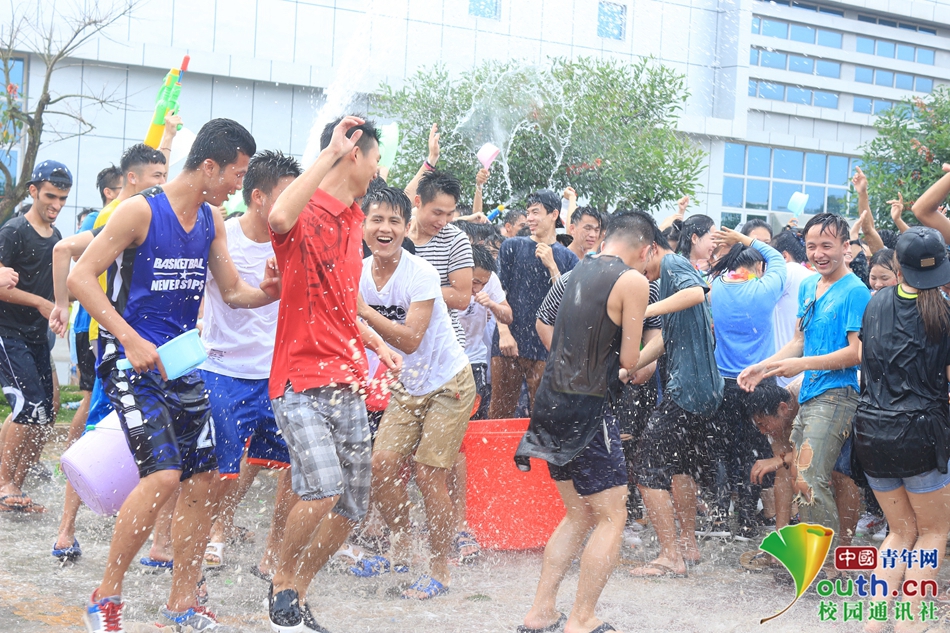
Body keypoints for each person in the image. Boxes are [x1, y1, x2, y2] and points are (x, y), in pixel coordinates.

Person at [69, 118, 279, 632]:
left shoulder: (212, 219)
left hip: (182, 363)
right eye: (236, 173)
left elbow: (231, 292)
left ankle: (183, 602)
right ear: (209, 166)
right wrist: (130, 338)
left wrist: (269, 292)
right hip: (129, 361)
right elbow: (80, 278)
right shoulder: (138, 211)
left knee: (203, 478)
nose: (238, 184)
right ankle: (105, 595)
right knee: (163, 474)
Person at [264, 115, 399, 632]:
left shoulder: (353, 220)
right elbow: (277, 218)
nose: (379, 167)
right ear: (352, 155)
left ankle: (298, 590)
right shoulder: (304, 209)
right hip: (299, 380)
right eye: (375, 156)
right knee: (320, 487)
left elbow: (342, 304)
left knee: (351, 503)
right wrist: (328, 153)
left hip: (346, 377)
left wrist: (376, 343)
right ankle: (279, 580)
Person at [48, 143, 174, 561]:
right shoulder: (116, 216)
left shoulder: (162, 217)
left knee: (171, 444)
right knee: (97, 432)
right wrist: (61, 308)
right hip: (114, 347)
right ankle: (66, 531)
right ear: (131, 181)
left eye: (166, 175)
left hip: (154, 346)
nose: (164, 183)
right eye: (156, 177)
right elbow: (66, 254)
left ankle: (159, 544)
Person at [355, 185, 477, 599]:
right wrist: (372, 352)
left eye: (393, 221)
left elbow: (409, 339)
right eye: (377, 220)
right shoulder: (359, 271)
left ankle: (440, 570)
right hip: (408, 384)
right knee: (382, 464)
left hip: (449, 382)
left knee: (429, 474)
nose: (385, 228)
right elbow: (354, 326)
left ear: (406, 227)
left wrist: (365, 312)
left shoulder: (420, 271)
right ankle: (404, 542)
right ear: (364, 225)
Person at [738, 213, 871, 552]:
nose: (818, 253)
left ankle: (824, 560)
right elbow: (798, 340)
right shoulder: (810, 285)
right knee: (800, 476)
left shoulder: (856, 291)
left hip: (837, 395)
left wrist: (801, 364)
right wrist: (763, 367)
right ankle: (819, 555)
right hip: (810, 393)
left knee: (810, 478)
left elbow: (857, 353)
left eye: (827, 245)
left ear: (846, 247)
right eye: (811, 246)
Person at [198, 150, 302, 577]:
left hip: (279, 374)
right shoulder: (223, 238)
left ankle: (273, 552)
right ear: (258, 197)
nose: (296, 202)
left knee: (297, 468)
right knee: (218, 472)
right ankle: (213, 534)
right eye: (287, 193)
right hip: (224, 370)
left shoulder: (297, 240)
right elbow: (229, 296)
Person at [854, 226, 950, 632]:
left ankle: (874, 624)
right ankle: (910, 625)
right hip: (921, 434)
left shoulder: (874, 304)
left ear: (896, 265)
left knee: (900, 531)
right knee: (933, 532)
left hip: (872, 432)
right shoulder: (944, 312)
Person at [630, 217, 723, 578]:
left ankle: (670, 556)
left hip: (687, 390)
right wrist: (629, 367)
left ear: (648, 248)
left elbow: (698, 293)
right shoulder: (670, 274)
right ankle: (687, 543)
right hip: (704, 390)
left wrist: (643, 312)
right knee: (680, 468)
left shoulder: (672, 263)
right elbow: (667, 340)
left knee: (647, 468)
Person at [707, 226, 787, 540]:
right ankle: (745, 521)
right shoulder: (765, 288)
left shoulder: (716, 287)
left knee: (724, 450)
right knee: (753, 453)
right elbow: (776, 256)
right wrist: (745, 239)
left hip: (724, 382)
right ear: (758, 267)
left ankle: (716, 517)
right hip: (760, 384)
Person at [0, 160, 70, 514]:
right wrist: (42, 303)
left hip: (37, 336)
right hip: (7, 333)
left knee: (46, 411)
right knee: (26, 405)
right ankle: (4, 483)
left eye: (62, 198)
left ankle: (19, 485)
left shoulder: (56, 238)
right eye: (50, 196)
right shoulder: (13, 231)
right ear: (32, 191)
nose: (56, 205)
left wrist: (60, 309)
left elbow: (59, 290)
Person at [489, 189, 578, 419]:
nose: (530, 218)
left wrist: (553, 267)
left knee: (544, 415)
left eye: (536, 212)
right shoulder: (512, 247)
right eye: (528, 213)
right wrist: (503, 332)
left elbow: (569, 305)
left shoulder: (568, 258)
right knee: (499, 413)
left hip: (545, 345)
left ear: (553, 215)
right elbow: (499, 292)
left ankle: (536, 456)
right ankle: (499, 456)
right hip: (509, 341)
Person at [769, 229, 816, 388]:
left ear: (783, 256)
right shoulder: (813, 275)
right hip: (805, 367)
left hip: (785, 366)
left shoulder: (789, 270)